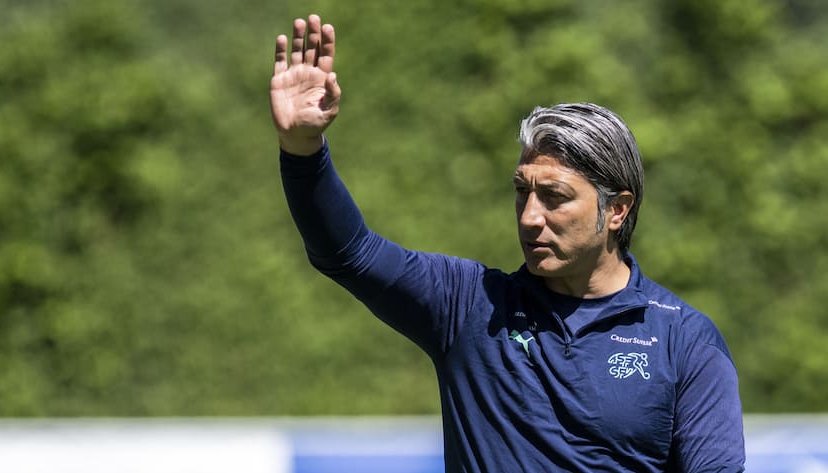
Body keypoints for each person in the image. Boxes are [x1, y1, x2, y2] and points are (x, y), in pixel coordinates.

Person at [271, 14, 746, 473]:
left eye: (555, 197)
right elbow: (349, 253)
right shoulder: (468, 305)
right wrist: (302, 150)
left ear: (617, 210)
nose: (530, 216)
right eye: (522, 191)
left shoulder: (684, 341)